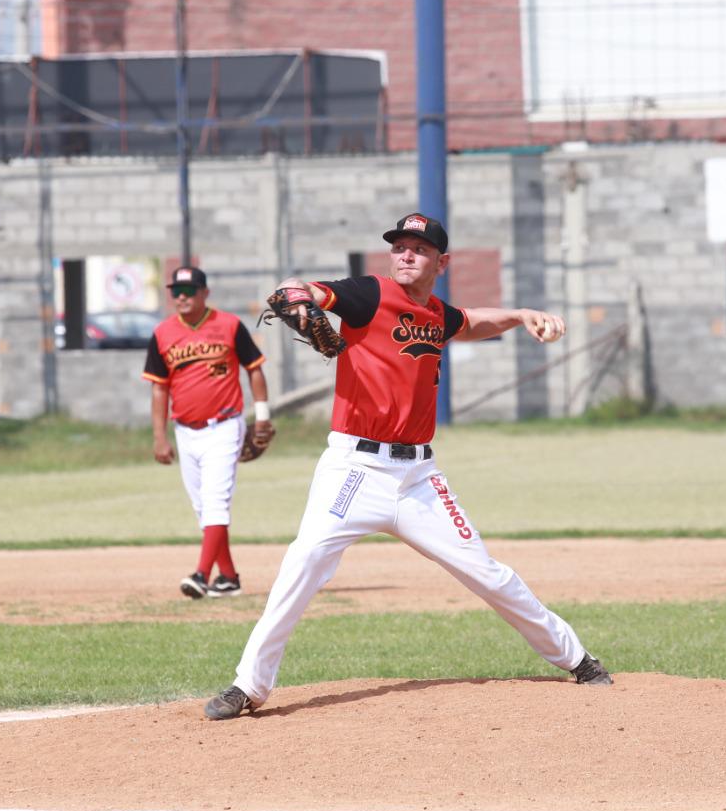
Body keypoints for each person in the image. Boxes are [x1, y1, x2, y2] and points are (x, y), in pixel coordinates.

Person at [202, 213, 612, 721]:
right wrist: (302, 306)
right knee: (302, 565)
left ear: (442, 261)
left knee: (487, 573)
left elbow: (473, 321)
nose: (405, 254)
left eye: (418, 248)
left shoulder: (437, 314)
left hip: (419, 477)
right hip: (355, 469)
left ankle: (577, 659)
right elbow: (291, 290)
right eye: (399, 246)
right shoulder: (369, 294)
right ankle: (249, 686)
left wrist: (521, 313)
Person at [144, 265, 274, 600]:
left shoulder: (229, 325)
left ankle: (202, 575)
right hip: (185, 431)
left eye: (189, 291)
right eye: (177, 292)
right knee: (204, 509)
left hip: (225, 425)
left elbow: (254, 370)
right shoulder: (162, 333)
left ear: (205, 293)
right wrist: (159, 437)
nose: (182, 297)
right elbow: (159, 390)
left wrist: (261, 417)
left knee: (216, 502)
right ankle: (228, 578)